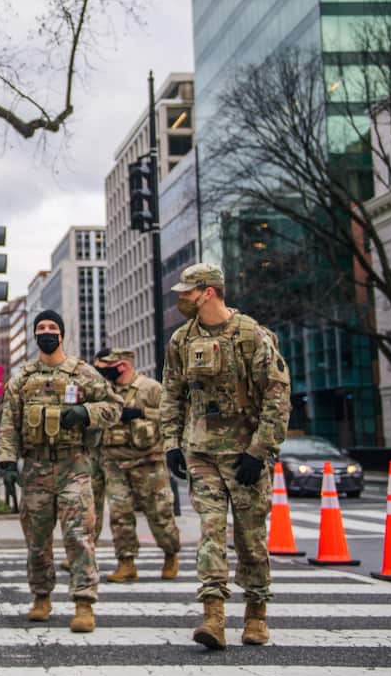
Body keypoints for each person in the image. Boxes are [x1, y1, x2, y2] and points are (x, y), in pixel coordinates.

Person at [160, 262, 290, 650]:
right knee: (211, 533)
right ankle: (213, 617)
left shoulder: (251, 335)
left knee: (250, 537)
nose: (182, 298)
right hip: (202, 453)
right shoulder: (181, 340)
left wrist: (260, 450)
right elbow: (172, 394)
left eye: (188, 291)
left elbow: (277, 397)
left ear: (209, 292)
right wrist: (171, 444)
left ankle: (256, 614)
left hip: (246, 453)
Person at [0, 310, 120, 633]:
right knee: (36, 539)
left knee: (79, 535)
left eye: (52, 327)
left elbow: (114, 407)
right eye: (41, 328)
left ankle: (83, 603)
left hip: (74, 465)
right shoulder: (21, 379)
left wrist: (86, 412)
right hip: (36, 467)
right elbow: (9, 423)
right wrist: (7, 463)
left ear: (62, 334)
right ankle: (41, 597)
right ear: (35, 336)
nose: (47, 332)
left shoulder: (82, 373)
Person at [91, 348, 180, 582]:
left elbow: (172, 416)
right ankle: (126, 562)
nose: (102, 371)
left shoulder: (150, 388)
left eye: (105, 366)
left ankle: (171, 553)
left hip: (148, 462)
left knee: (159, 513)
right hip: (114, 462)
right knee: (120, 515)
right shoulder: (105, 391)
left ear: (122, 366)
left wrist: (141, 412)